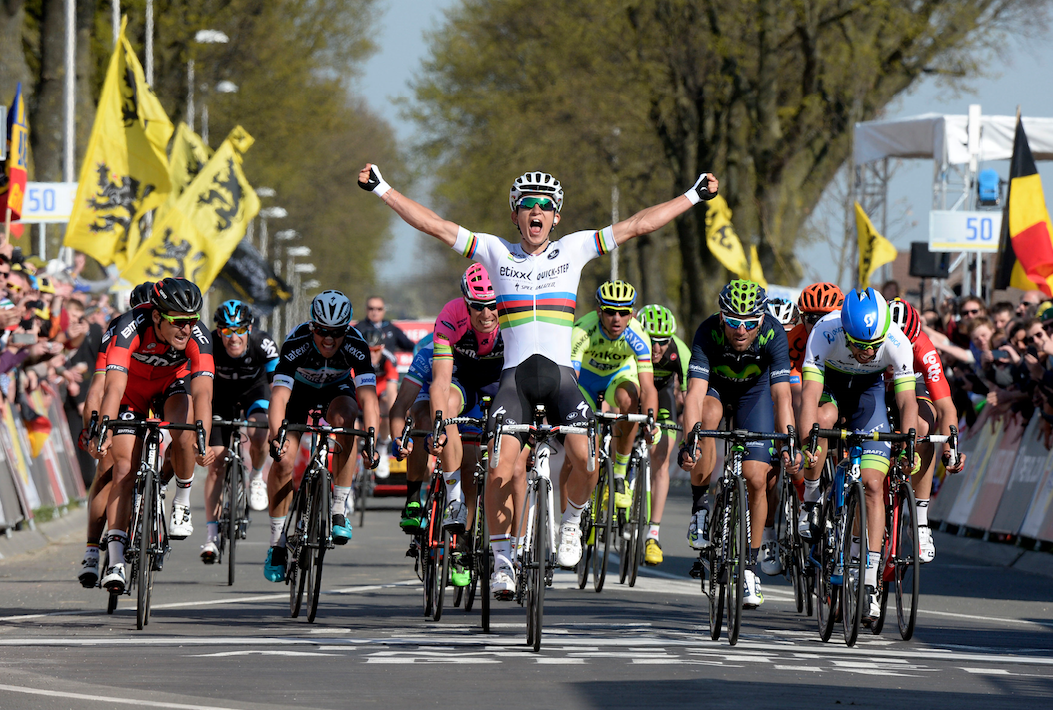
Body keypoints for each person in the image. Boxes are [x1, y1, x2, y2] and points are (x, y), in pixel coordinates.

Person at [359, 162, 718, 599]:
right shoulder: (494, 251)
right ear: (515, 215)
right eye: (527, 205)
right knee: (498, 467)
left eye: (545, 206)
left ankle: (571, 521)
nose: (536, 212)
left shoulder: (573, 249)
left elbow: (638, 225)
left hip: (562, 381)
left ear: (556, 216)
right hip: (515, 383)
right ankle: (503, 561)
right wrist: (383, 188)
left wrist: (693, 196)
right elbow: (434, 225)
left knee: (588, 461)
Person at [798, 287, 919, 620]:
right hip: (832, 389)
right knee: (820, 422)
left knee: (873, 485)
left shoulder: (895, 340)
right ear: (845, 331)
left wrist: (908, 441)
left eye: (873, 346)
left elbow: (907, 400)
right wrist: (808, 439)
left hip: (871, 396)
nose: (867, 352)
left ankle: (868, 581)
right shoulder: (825, 331)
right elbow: (809, 395)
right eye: (859, 345)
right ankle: (810, 498)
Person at [90, 278, 216, 593]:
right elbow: (113, 386)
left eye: (192, 320)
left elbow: (203, 394)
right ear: (158, 316)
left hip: (171, 388)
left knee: (185, 431)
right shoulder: (128, 326)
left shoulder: (199, 337)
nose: (186, 328)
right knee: (123, 470)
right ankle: (116, 560)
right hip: (131, 393)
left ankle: (181, 502)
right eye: (178, 321)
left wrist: (203, 439)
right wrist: (104, 427)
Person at [677, 280, 796, 609]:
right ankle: (701, 507)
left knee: (757, 477)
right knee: (708, 417)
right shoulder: (706, 333)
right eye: (732, 321)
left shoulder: (774, 335)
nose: (740, 329)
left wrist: (789, 441)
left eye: (749, 322)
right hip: (716, 390)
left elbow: (782, 395)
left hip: (753, 396)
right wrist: (690, 441)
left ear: (762, 319)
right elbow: (695, 395)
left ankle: (749, 568)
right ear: (721, 318)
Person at [263, 290, 380, 582]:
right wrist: (276, 435)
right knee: (283, 462)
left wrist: (373, 439)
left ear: (346, 329)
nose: (329, 340)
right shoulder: (296, 342)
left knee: (347, 420)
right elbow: (278, 397)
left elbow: (369, 398)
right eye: (322, 332)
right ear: (312, 326)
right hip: (298, 395)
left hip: (336, 391)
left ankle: (339, 508)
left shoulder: (356, 345)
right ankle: (276, 544)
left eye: (337, 333)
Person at [565, 280, 657, 533]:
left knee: (630, 400)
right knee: (577, 457)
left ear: (632, 314)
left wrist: (652, 422)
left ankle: (619, 472)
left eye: (623, 312)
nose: (616, 318)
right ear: (599, 312)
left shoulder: (638, 334)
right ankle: (564, 523)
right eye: (610, 311)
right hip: (584, 382)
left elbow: (648, 387)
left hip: (618, 378)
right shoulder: (583, 330)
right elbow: (569, 381)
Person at [887, 298, 966, 563]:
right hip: (875, 384)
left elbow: (945, 407)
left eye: (906, 344)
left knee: (923, 425)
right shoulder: (869, 342)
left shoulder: (923, 347)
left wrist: (950, 447)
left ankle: (920, 521)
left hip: (913, 384)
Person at [200, 300, 279, 564]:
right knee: (216, 461)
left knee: (259, 431)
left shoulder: (263, 343)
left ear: (249, 328)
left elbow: (278, 386)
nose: (233, 337)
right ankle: (211, 535)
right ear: (218, 331)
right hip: (220, 398)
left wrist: (282, 419)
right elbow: (200, 386)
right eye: (226, 331)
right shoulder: (208, 344)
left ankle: (256, 477)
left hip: (254, 392)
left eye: (239, 330)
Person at [427, 264, 504, 535]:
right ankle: (454, 498)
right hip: (464, 381)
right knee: (446, 406)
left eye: (493, 305)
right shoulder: (450, 315)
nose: (486, 314)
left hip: (500, 383)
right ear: (465, 303)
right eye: (478, 306)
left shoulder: (512, 313)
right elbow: (440, 382)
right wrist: (439, 426)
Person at [636, 304, 690, 566]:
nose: (656, 349)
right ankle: (614, 481)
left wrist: (689, 427)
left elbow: (692, 396)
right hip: (635, 388)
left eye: (662, 342)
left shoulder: (680, 351)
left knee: (662, 456)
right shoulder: (630, 340)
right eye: (650, 341)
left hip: (665, 394)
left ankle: (653, 534)